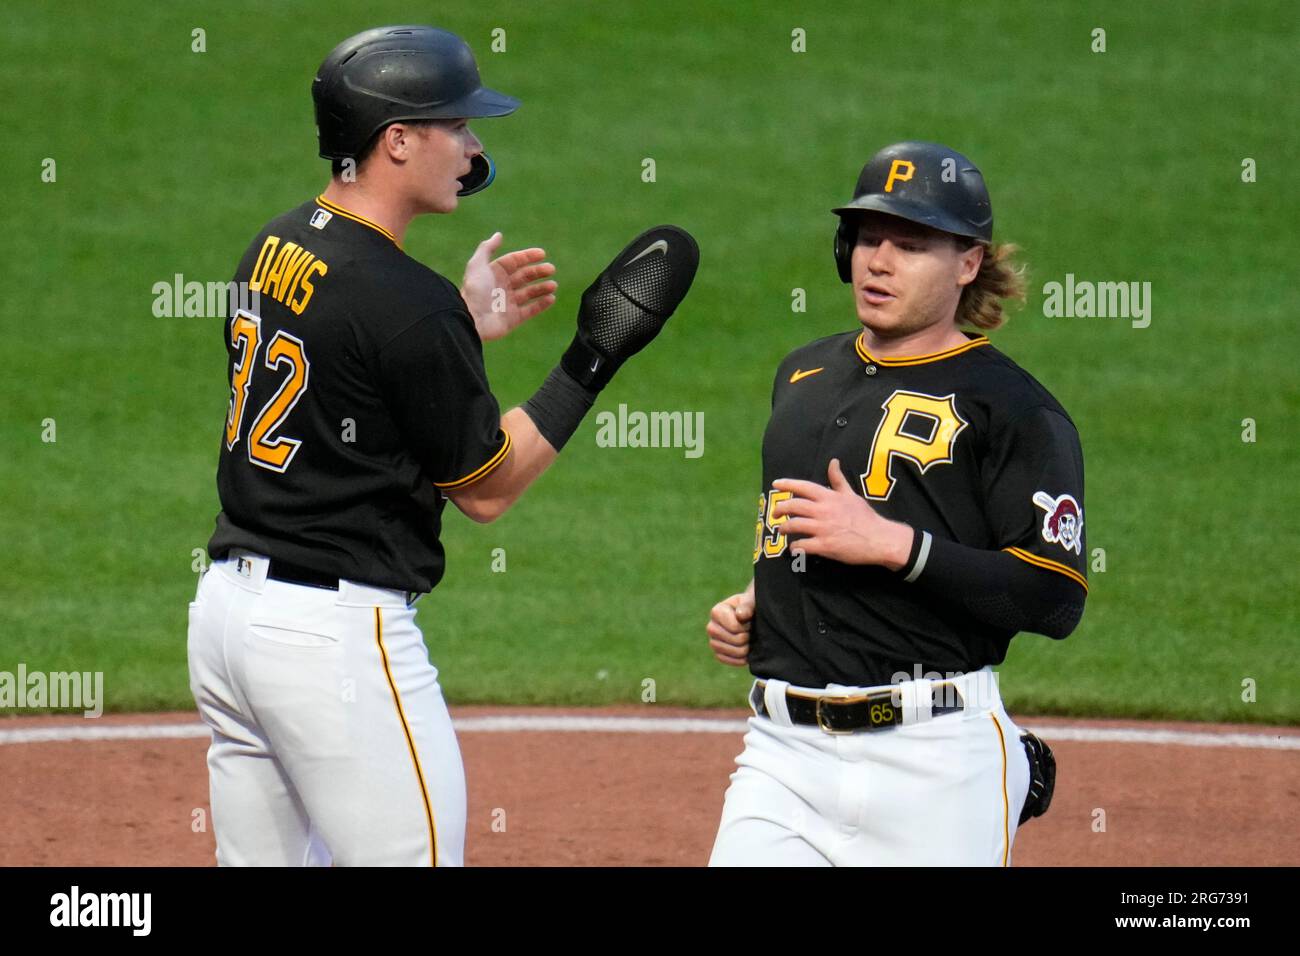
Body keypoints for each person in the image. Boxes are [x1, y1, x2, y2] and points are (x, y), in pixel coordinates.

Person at [187, 25, 698, 866]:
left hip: (229, 626)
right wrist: (590, 360)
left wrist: (459, 328)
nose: (473, 145)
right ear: (396, 141)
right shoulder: (407, 305)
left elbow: (343, 385)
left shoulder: (272, 244)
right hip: (333, 643)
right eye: (455, 126)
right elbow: (487, 489)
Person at [705, 141, 1073, 866]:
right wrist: (759, 601)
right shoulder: (802, 374)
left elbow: (1053, 598)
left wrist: (897, 548)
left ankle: (1011, 769)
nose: (878, 260)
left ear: (968, 263)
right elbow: (803, 533)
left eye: (910, 244)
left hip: (935, 764)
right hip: (784, 754)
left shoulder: (1014, 408)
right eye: (869, 238)